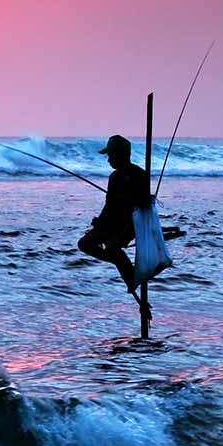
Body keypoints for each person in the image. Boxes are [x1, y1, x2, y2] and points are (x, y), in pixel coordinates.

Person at [78, 134, 155, 313]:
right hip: (112, 224)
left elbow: (143, 203)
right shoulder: (114, 177)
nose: (108, 160)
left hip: (132, 225)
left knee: (112, 248)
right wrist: (100, 222)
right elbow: (109, 207)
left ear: (121, 155)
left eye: (111, 156)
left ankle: (129, 274)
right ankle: (121, 263)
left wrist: (127, 200)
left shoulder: (140, 175)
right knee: (85, 244)